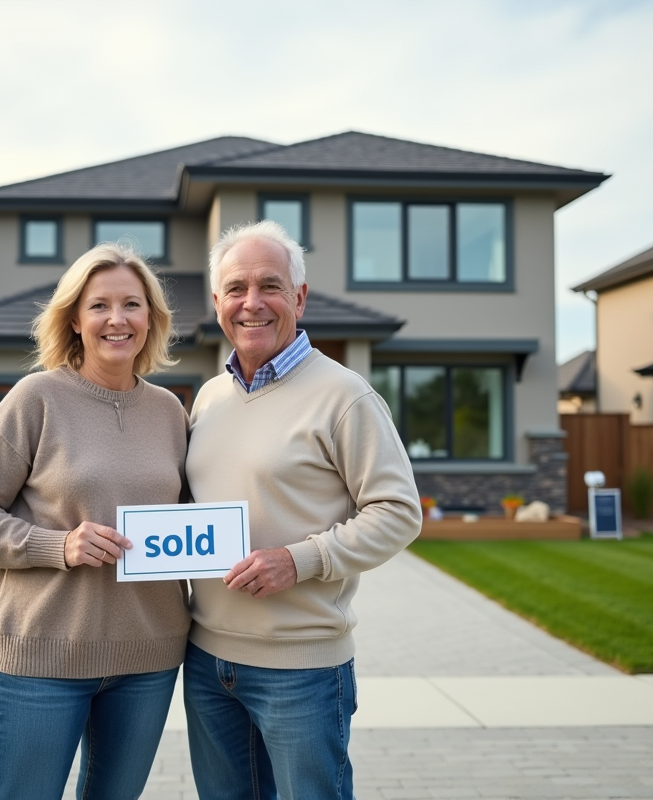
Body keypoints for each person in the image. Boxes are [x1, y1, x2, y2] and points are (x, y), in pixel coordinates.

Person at [184, 220, 422, 800]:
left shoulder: (345, 396)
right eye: (236, 288)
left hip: (302, 669)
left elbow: (398, 511)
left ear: (299, 297)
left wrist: (299, 560)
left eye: (270, 285)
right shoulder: (209, 398)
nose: (252, 302)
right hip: (206, 662)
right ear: (217, 302)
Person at [0, 243, 190, 800]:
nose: (117, 319)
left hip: (148, 659)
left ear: (151, 318)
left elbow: (191, 522)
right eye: (99, 305)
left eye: (132, 304)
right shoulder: (37, 398)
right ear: (75, 320)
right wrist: (58, 546)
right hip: (44, 656)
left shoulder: (171, 412)